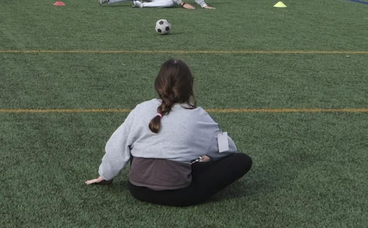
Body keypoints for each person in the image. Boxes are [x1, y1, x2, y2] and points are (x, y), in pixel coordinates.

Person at [86, 59, 252, 207]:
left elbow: (117, 144)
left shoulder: (141, 109)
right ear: (191, 84)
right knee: (242, 160)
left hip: (138, 190)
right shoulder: (198, 115)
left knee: (139, 144)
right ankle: (193, 162)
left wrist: (105, 175)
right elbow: (228, 148)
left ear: (158, 84)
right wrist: (209, 156)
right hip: (178, 194)